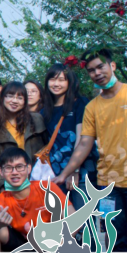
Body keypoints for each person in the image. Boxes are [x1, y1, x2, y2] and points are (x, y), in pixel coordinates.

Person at [54, 49, 127, 252]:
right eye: (91, 70)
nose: (97, 73)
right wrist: (65, 174)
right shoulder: (92, 107)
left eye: (100, 67)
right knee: (115, 237)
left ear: (112, 66)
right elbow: (84, 143)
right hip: (107, 184)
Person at [41, 63, 98, 206]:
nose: (56, 84)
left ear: (69, 82)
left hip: (81, 173)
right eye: (52, 79)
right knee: (63, 217)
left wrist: (73, 170)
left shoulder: (80, 104)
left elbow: (82, 138)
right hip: (55, 175)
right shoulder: (44, 111)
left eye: (61, 80)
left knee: (83, 215)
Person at [0, 81, 48, 191]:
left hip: (38, 179)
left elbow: (47, 148)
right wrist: (2, 185)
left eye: (20, 98)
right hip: (11, 183)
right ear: (2, 98)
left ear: (25, 101)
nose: (15, 101)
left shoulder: (36, 119)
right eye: (10, 96)